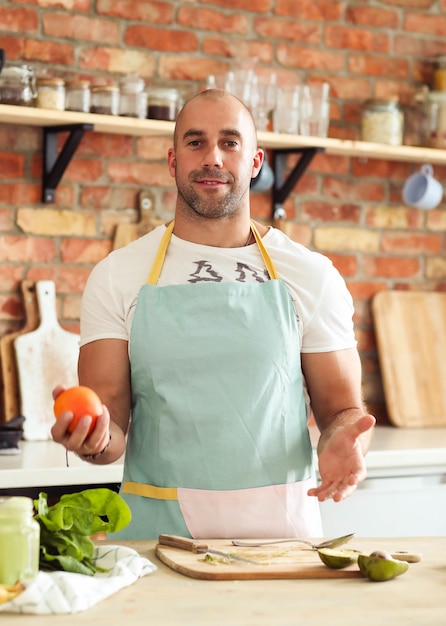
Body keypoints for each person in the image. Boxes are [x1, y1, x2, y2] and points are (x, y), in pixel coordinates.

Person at [51, 89, 375, 540]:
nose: (213, 158)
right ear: (173, 161)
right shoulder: (117, 276)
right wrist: (95, 440)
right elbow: (113, 428)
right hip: (157, 539)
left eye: (230, 142)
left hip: (281, 542)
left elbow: (342, 410)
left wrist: (345, 439)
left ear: (256, 162)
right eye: (195, 142)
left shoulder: (311, 275)